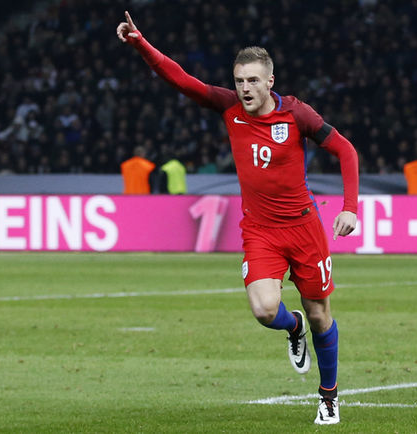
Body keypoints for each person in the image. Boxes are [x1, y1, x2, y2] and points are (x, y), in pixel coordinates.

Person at [117, 11, 358, 424]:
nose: (244, 88)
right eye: (239, 80)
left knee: (321, 314)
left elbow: (345, 150)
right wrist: (141, 43)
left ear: (270, 82)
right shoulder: (230, 107)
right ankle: (292, 327)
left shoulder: (297, 114)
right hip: (261, 231)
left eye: (252, 81)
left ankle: (329, 396)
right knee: (265, 310)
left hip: (304, 227)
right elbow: (182, 79)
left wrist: (350, 206)